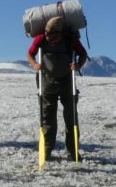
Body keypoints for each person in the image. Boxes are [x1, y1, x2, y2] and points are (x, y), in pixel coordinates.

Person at [26, 16, 88, 161]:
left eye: (52, 35)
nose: (48, 37)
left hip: (67, 81)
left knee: (71, 116)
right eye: (47, 34)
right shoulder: (40, 38)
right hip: (47, 80)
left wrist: (78, 65)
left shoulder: (70, 40)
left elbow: (83, 54)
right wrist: (34, 64)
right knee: (47, 117)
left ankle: (73, 151)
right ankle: (46, 150)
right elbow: (30, 53)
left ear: (60, 33)